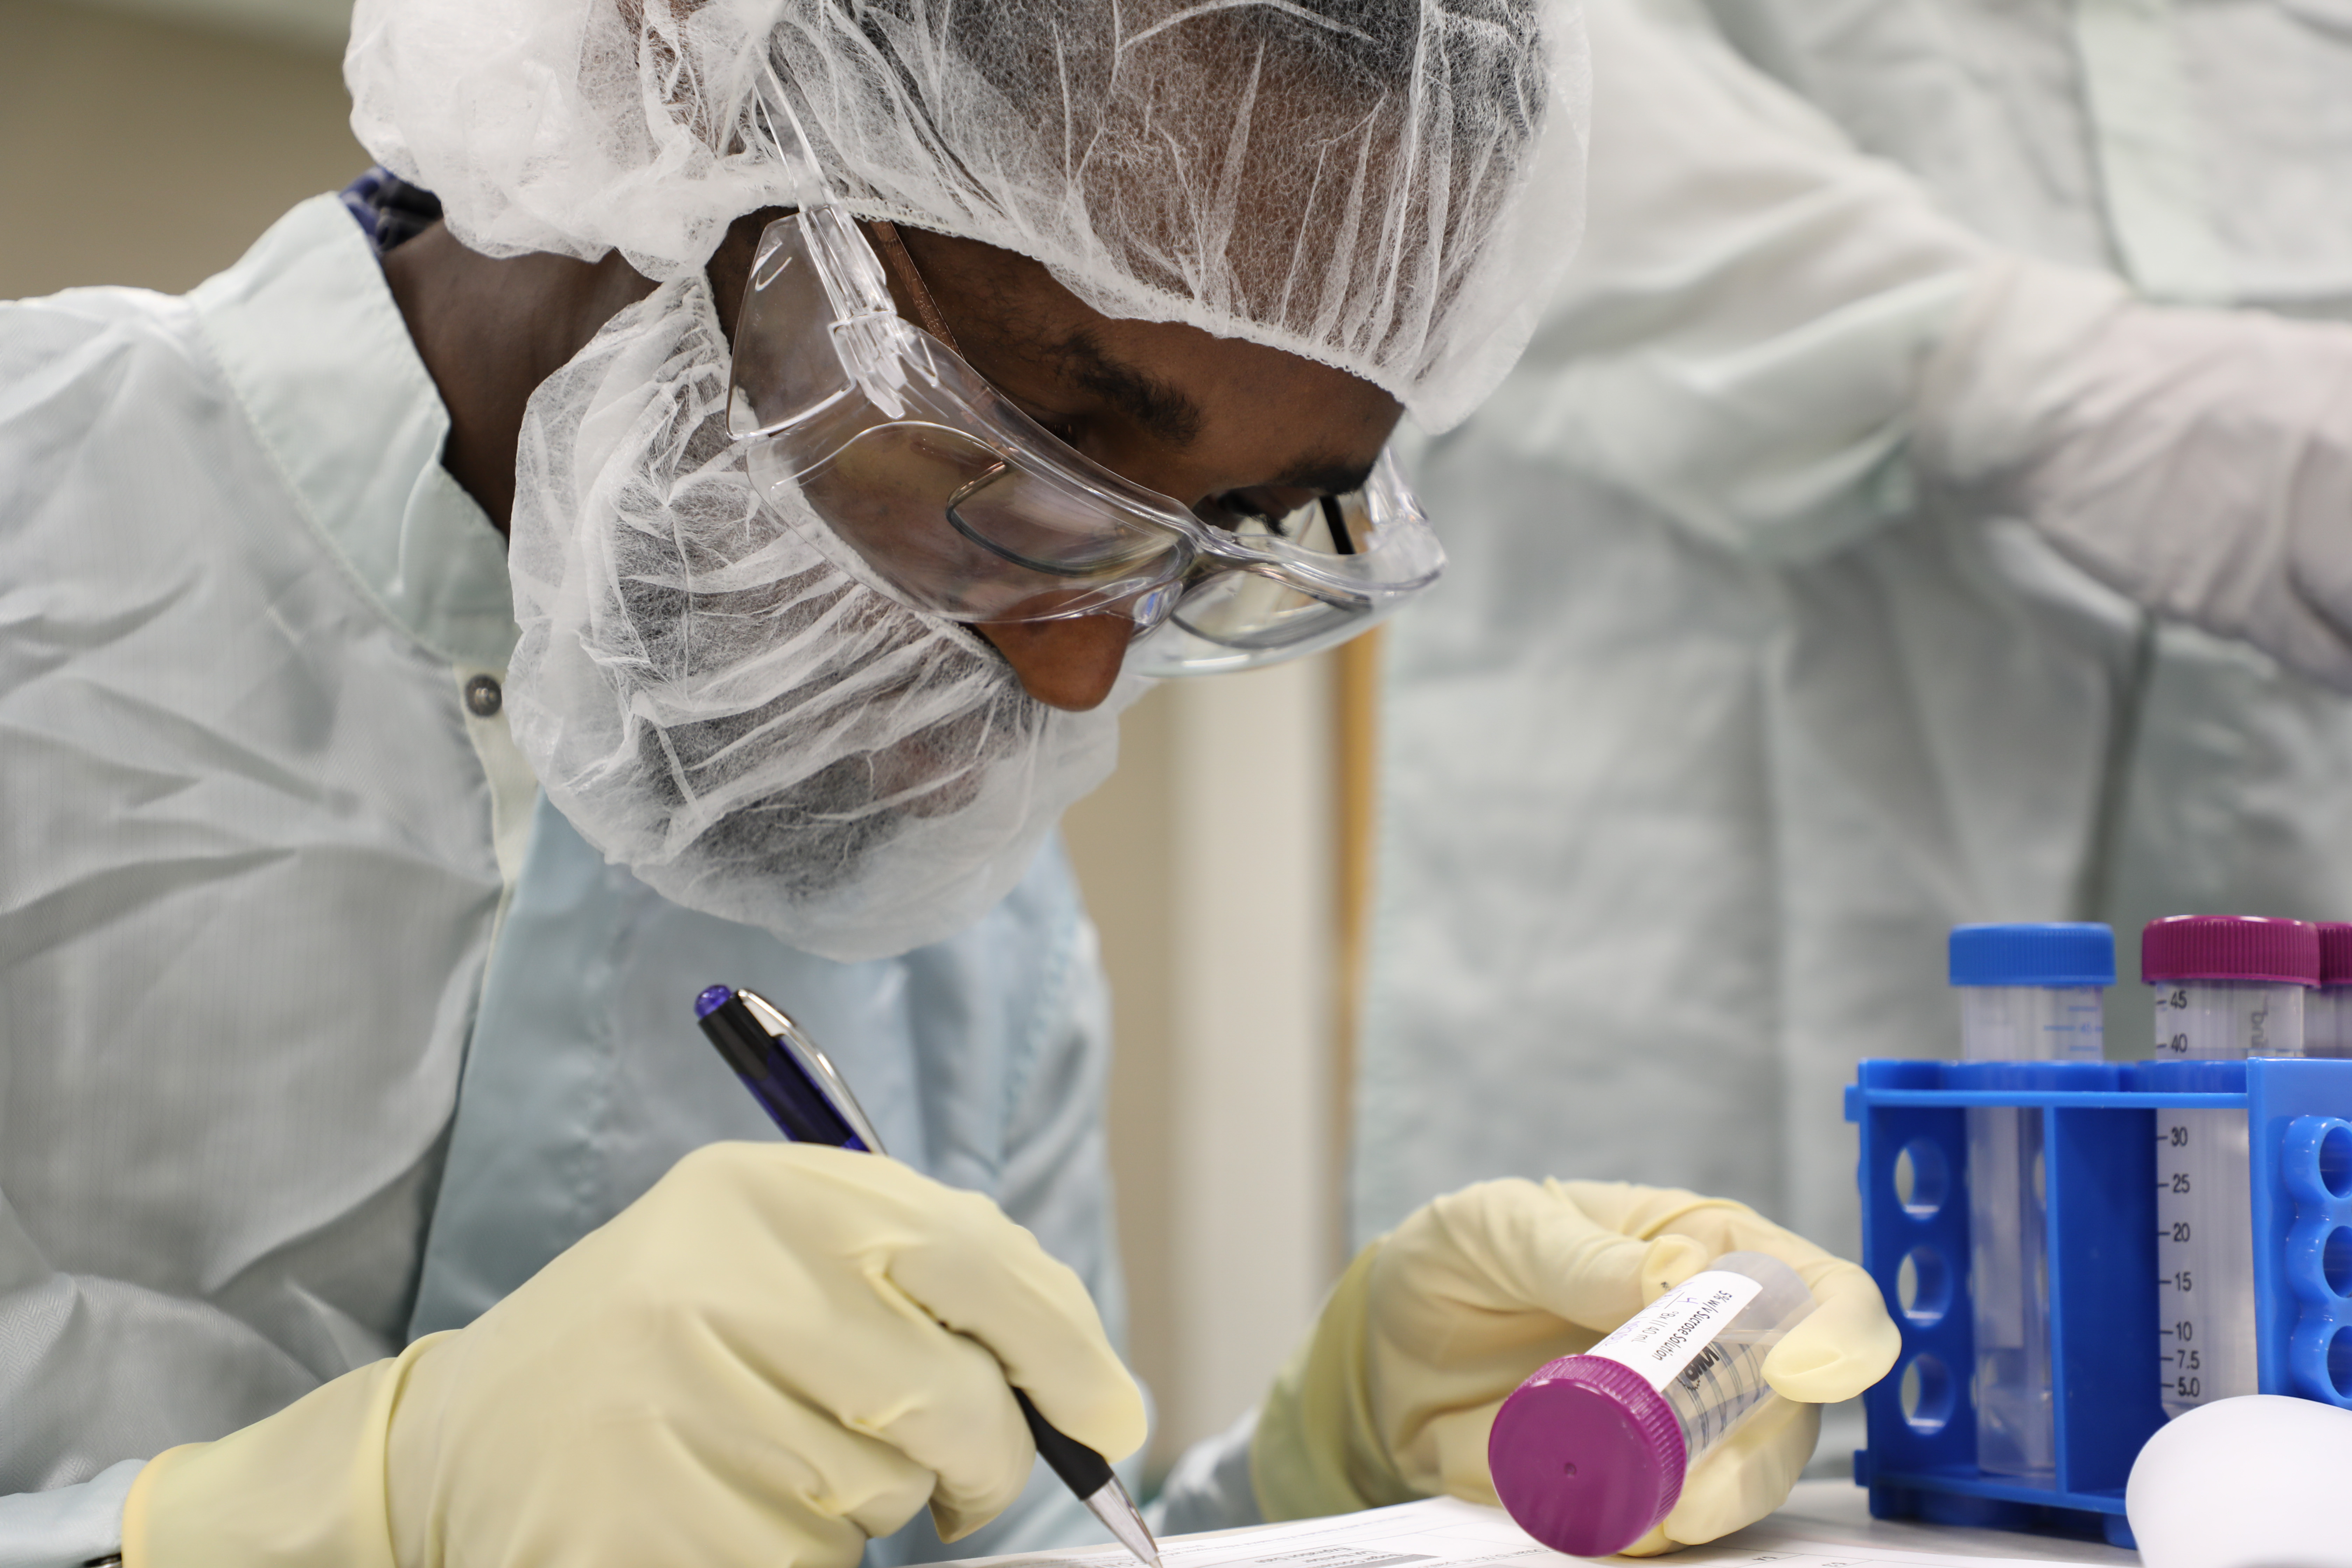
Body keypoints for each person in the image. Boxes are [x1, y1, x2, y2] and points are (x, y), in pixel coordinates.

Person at [0, 2, 1897, 1567]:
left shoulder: (925, 834)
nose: (1077, 671)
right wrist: (291, 1524)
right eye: (1044, 446)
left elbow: (1007, 1531)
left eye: (1228, 535)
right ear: (674, 90)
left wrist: (1337, 1483)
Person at [1356, 0, 2352, 1274]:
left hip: (2281, 894)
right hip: (1731, 919)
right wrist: (2011, 365)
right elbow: (1451, 85)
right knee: (1704, 1389)